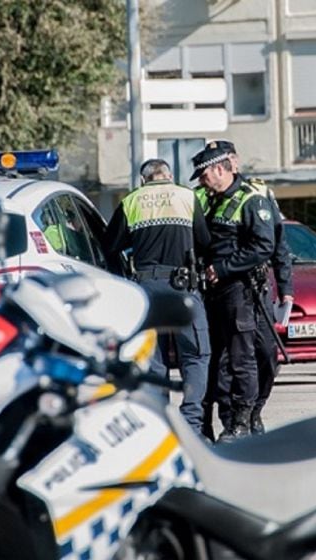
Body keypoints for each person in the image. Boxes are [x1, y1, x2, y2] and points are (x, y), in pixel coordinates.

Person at [103, 158, 212, 436]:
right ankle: (191, 423)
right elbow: (204, 241)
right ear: (169, 175)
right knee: (196, 355)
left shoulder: (131, 201)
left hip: (146, 288)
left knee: (154, 358)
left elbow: (110, 246)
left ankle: (162, 425)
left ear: (144, 179)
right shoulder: (186, 197)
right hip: (183, 285)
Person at [192, 140, 275, 442]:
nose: (202, 182)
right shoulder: (207, 199)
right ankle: (219, 421)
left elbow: (264, 246)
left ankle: (243, 421)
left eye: (204, 175)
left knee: (243, 359)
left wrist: (224, 268)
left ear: (219, 169)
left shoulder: (251, 199)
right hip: (212, 292)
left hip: (239, 290)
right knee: (214, 360)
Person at [227, 146, 293, 436]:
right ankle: (236, 417)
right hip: (228, 289)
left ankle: (256, 409)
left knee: (267, 353)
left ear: (236, 162)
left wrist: (285, 285)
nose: (230, 164)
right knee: (233, 359)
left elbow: (278, 242)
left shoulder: (259, 192)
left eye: (232, 159)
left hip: (258, 287)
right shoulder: (204, 195)